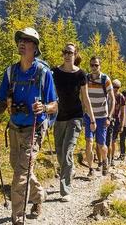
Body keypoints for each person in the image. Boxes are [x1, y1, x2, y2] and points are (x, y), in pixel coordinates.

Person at [0, 27, 58, 224]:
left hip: (35, 128)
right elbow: (3, 100)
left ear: (35, 47)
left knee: (20, 175)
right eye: (20, 40)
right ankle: (38, 195)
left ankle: (17, 219)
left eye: (26, 41)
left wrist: (43, 107)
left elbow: (54, 105)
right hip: (15, 127)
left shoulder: (44, 74)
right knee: (19, 167)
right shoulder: (11, 72)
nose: (21, 43)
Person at [52, 43, 96, 202]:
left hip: (76, 117)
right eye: (64, 52)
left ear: (75, 54)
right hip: (59, 117)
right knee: (59, 152)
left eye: (70, 52)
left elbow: (85, 98)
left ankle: (65, 190)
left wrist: (91, 118)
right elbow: (49, 92)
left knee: (68, 151)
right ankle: (70, 169)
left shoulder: (81, 74)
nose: (67, 55)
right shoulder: (55, 72)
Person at [85, 56, 115, 177]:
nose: (93, 67)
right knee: (89, 143)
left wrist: (109, 117)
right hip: (88, 116)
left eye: (96, 65)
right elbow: (83, 95)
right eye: (92, 65)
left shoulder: (105, 79)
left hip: (102, 116)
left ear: (100, 66)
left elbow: (112, 99)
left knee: (101, 145)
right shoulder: (86, 78)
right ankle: (90, 168)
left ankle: (105, 161)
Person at [106, 79, 125, 167]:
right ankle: (106, 157)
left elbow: (123, 112)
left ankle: (112, 158)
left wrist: (121, 125)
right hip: (106, 118)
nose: (116, 89)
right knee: (106, 141)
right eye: (114, 87)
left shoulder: (121, 97)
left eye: (117, 87)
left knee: (113, 141)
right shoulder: (107, 95)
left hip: (116, 120)